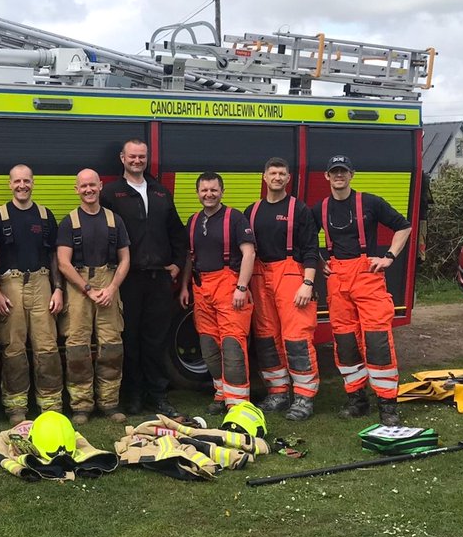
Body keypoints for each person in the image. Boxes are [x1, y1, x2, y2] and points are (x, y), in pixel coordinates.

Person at [312, 155, 412, 427]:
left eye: (343, 171)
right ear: (327, 176)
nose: (339, 176)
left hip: (368, 276)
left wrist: (389, 256)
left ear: (351, 174)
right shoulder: (320, 208)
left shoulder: (370, 202)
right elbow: (305, 240)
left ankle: (387, 405)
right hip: (337, 279)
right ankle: (356, 401)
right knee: (345, 342)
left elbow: (403, 226)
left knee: (377, 340)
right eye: (334, 172)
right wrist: (320, 262)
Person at [100, 139, 188, 418]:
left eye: (141, 156)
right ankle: (134, 396)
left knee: (156, 340)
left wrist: (177, 264)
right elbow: (103, 233)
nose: (137, 161)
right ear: (122, 158)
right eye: (132, 156)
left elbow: (177, 232)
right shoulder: (111, 193)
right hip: (128, 279)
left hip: (159, 279)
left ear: (147, 159)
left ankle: (158, 396)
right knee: (130, 338)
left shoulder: (160, 192)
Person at [245, 157, 321, 421]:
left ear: (288, 178)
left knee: (297, 339)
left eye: (282, 174)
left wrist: (307, 284)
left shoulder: (299, 210)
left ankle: (304, 397)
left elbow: (311, 249)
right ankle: (277, 393)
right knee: (266, 339)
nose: (277, 177)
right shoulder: (252, 211)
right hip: (259, 277)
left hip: (291, 278)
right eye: (273, 173)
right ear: (264, 177)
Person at [0, 165, 64, 425]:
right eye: (17, 181)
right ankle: (15, 406)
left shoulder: (45, 216)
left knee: (47, 345)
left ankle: (51, 404)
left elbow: (54, 256)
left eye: (27, 181)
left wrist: (58, 288)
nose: (22, 185)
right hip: (9, 285)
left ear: (33, 183)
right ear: (10, 184)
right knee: (13, 346)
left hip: (42, 282)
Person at [57, 168, 131, 425]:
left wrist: (111, 289)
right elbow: (63, 263)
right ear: (76, 189)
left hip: (109, 285)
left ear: (100, 186)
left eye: (92, 185)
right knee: (77, 347)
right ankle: (81, 406)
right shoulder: (69, 222)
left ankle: (110, 403)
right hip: (79, 288)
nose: (88, 190)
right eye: (83, 186)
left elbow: (125, 259)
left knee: (111, 346)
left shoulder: (115, 220)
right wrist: (88, 289)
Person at [178, 172, 256, 410]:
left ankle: (238, 403)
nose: (209, 194)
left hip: (229, 288)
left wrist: (241, 287)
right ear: (197, 193)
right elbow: (189, 257)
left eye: (213, 190)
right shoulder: (193, 221)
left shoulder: (235, 218)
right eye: (204, 190)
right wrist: (184, 286)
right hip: (201, 289)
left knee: (232, 346)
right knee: (209, 346)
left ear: (222, 192)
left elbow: (249, 253)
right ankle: (221, 394)